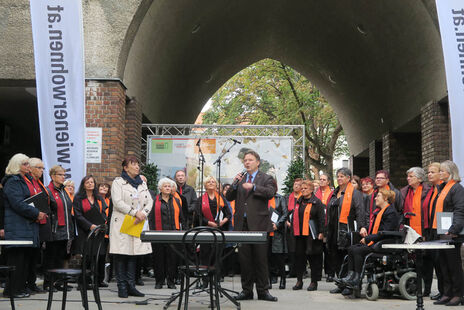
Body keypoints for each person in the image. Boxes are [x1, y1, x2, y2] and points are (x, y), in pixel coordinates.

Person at [226, 150, 277, 302]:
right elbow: (228, 197)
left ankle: (263, 291)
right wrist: (234, 185)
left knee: (261, 259)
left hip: (259, 225)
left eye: (250, 160)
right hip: (242, 225)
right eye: (245, 160)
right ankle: (246, 291)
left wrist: (254, 187)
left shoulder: (266, 178)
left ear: (257, 162)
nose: (246, 162)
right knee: (245, 260)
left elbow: (271, 192)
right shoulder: (240, 179)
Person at [1, 153, 47, 298]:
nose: (28, 166)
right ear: (17, 165)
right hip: (17, 226)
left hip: (25, 225)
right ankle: (12, 290)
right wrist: (36, 213)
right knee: (17, 260)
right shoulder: (12, 181)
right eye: (25, 164)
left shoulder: (22, 180)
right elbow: (18, 203)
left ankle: (20, 288)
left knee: (24, 260)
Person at [340, 188, 399, 294]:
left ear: (385, 198)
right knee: (351, 249)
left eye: (378, 196)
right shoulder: (379, 211)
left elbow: (384, 232)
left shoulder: (391, 212)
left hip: (384, 243)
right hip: (376, 241)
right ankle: (351, 276)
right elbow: (374, 225)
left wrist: (367, 239)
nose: (375, 198)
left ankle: (357, 279)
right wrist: (364, 227)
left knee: (358, 251)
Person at [110, 156, 153, 298]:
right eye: (133, 164)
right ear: (125, 167)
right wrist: (135, 213)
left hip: (138, 222)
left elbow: (150, 201)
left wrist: (143, 213)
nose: (136, 167)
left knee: (134, 254)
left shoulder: (142, 183)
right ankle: (122, 286)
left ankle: (131, 285)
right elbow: (117, 202)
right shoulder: (118, 182)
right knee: (122, 254)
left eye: (137, 164)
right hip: (123, 221)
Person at [327, 167, 366, 294]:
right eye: (338, 176)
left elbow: (360, 211)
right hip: (333, 230)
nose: (339, 178)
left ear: (349, 178)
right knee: (335, 257)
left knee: (346, 257)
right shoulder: (334, 193)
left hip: (346, 230)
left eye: (342, 176)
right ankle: (340, 283)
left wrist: (362, 226)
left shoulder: (355, 193)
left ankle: (350, 285)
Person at [431, 161, 464, 306]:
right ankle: (447, 292)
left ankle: (458, 294)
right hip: (441, 232)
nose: (439, 173)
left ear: (450, 172)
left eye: (442, 171)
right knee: (443, 264)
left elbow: (459, 210)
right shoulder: (442, 188)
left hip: (452, 233)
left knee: (453, 265)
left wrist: (454, 229)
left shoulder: (456, 188)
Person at [147, 178, 185, 289]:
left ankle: (171, 281)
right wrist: (152, 232)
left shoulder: (176, 201)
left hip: (173, 234)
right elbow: (150, 218)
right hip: (158, 234)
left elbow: (181, 217)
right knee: (159, 259)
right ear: (160, 188)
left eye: (169, 186)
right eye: (165, 186)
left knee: (172, 259)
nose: (168, 188)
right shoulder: (154, 200)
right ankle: (159, 281)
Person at [73, 175, 108, 288]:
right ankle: (83, 282)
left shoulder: (99, 198)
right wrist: (90, 226)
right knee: (87, 257)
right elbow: (78, 215)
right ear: (83, 184)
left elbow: (103, 212)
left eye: (92, 182)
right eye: (87, 182)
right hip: (85, 231)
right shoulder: (78, 198)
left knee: (98, 256)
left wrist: (100, 224)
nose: (90, 184)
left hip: (98, 231)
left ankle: (98, 281)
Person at [44, 165, 75, 291]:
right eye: (60, 175)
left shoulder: (64, 191)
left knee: (61, 258)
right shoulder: (48, 191)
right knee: (51, 258)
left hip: (65, 230)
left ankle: (59, 282)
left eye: (64, 175)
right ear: (53, 176)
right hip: (54, 230)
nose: (63, 177)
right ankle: (48, 283)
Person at [292, 180, 324, 291]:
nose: (303, 190)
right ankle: (299, 281)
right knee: (299, 258)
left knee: (312, 258)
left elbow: (321, 218)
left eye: (305, 188)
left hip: (312, 235)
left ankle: (313, 282)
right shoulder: (299, 201)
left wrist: (321, 232)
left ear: (311, 190)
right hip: (299, 234)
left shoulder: (317, 202)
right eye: (302, 188)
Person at [23, 158, 48, 293]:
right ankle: (26, 283)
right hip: (29, 222)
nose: (42, 170)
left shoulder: (38, 182)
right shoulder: (25, 182)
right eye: (39, 168)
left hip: (40, 223)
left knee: (35, 256)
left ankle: (32, 283)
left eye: (43, 168)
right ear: (31, 168)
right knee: (28, 255)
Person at [425, 162, 445, 301]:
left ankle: (447, 291)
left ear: (441, 173)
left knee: (442, 262)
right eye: (428, 172)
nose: (429, 174)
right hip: (431, 228)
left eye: (432, 172)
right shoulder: (432, 189)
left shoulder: (443, 189)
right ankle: (442, 291)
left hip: (441, 229)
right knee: (436, 263)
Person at [267, 180, 288, 289]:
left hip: (277, 232)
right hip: (266, 232)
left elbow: (285, 214)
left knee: (279, 258)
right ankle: (269, 280)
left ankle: (283, 280)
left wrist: (277, 224)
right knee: (268, 258)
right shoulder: (263, 199)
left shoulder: (280, 198)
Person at [315, 173, 334, 281]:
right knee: (317, 250)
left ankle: (330, 273)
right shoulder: (314, 192)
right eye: (320, 179)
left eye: (324, 179)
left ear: (328, 182)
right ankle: (317, 274)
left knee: (328, 250)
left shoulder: (332, 192)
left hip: (329, 224)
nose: (321, 181)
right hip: (317, 224)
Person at [285, 178, 302, 278]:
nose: (296, 186)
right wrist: (286, 221)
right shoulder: (288, 197)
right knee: (291, 250)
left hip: (300, 227)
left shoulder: (303, 198)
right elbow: (284, 211)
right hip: (289, 227)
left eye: (298, 185)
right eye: (295, 184)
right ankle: (292, 271)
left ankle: (301, 271)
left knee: (299, 250)